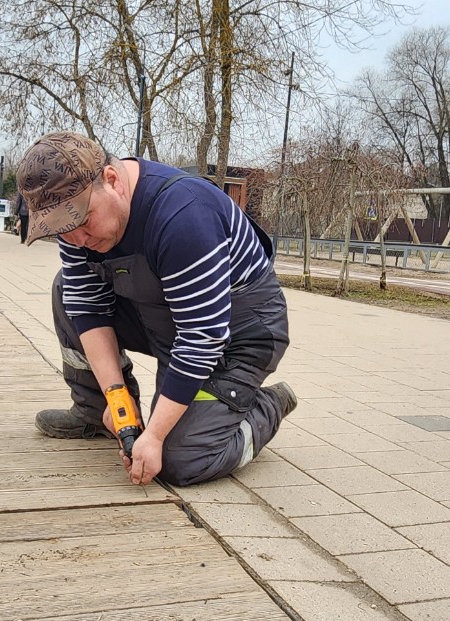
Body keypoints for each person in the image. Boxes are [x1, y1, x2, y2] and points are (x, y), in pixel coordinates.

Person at [17, 131, 296, 488]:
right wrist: (119, 404)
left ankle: (265, 406)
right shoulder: (77, 225)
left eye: (84, 223)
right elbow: (87, 306)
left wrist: (156, 436)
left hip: (237, 335)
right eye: (62, 232)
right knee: (66, 289)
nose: (78, 241)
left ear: (112, 181)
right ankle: (93, 411)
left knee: (181, 461)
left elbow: (201, 337)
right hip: (165, 315)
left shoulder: (183, 215)